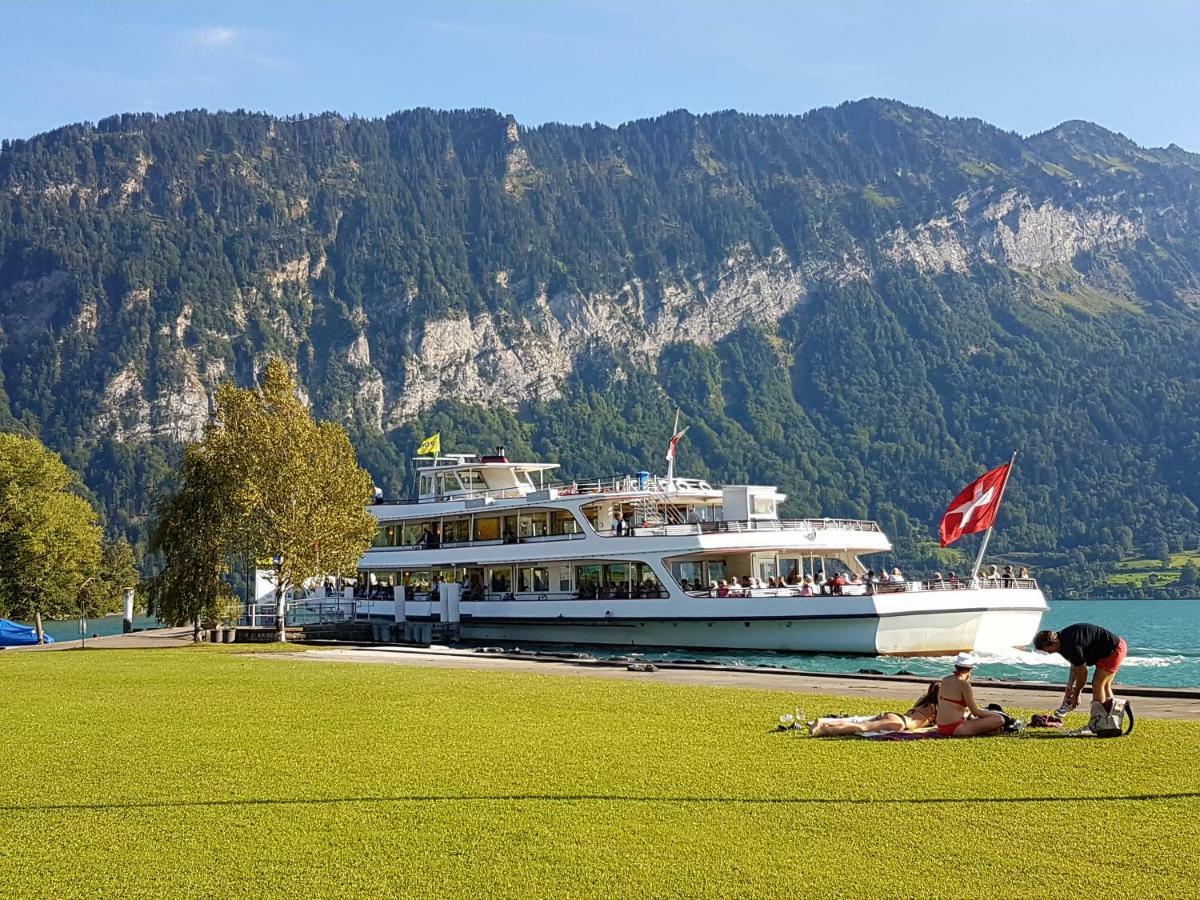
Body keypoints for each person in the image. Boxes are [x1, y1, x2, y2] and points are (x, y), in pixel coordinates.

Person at [1033, 624, 1126, 715]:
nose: (1049, 653)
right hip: (1112, 646)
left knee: (1098, 684)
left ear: (1054, 642)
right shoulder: (1062, 641)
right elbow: (1075, 665)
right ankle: (1110, 720)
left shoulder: (1071, 645)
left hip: (1114, 649)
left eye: (1048, 650)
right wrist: (1070, 685)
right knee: (1105, 686)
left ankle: (1098, 720)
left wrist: (1077, 695)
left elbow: (1083, 672)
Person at [811, 682, 940, 736]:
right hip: (900, 723)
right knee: (862, 727)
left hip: (895, 716)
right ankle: (826, 729)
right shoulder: (936, 708)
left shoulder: (923, 700)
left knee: (859, 723)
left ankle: (823, 721)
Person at [936, 653, 1005, 736]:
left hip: (941, 726)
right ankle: (988, 731)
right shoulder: (964, 684)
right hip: (955, 728)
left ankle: (987, 731)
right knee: (999, 719)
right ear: (970, 669)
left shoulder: (945, 680)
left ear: (956, 666)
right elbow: (975, 712)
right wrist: (995, 714)